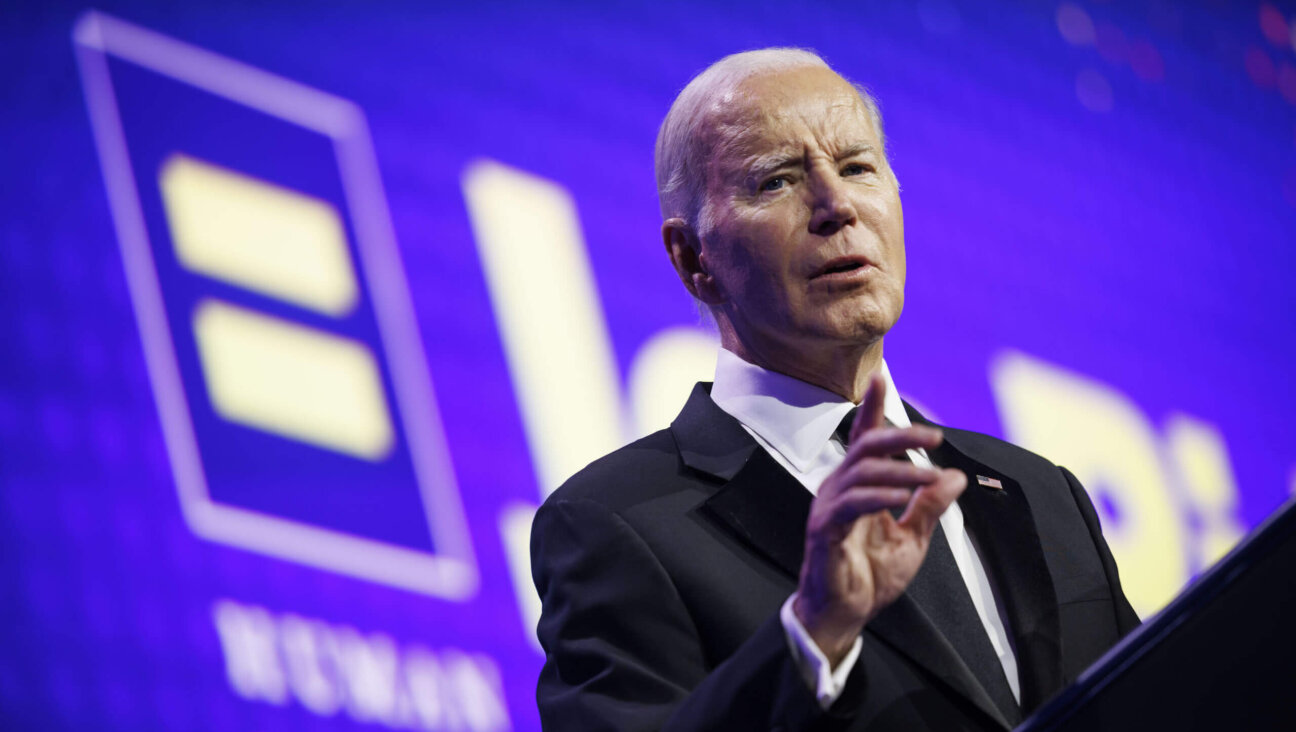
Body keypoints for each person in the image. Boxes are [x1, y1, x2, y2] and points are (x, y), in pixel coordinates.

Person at [529, 48, 1139, 731]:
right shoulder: (617, 522)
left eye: (856, 168)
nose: (836, 205)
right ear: (694, 259)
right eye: (777, 182)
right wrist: (815, 632)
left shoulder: (1042, 494)